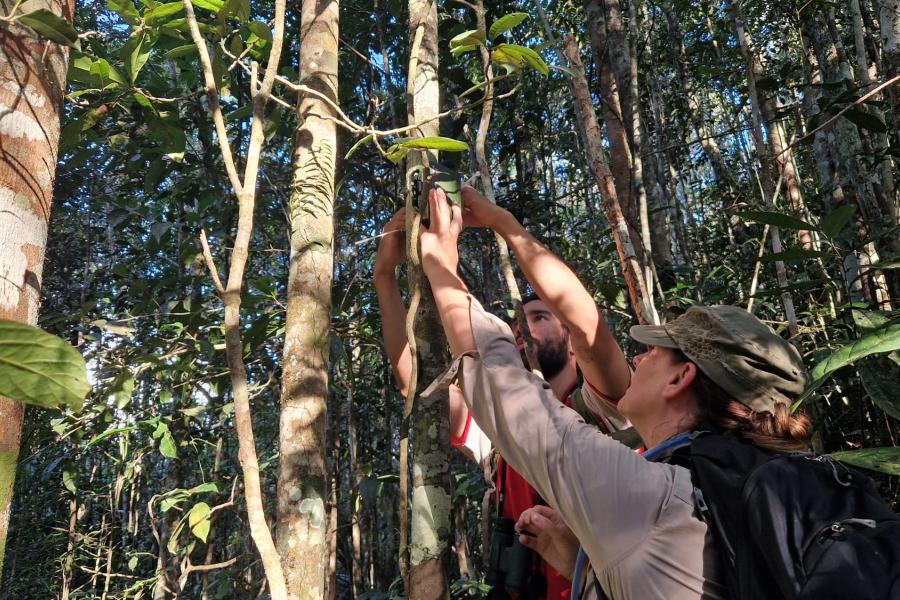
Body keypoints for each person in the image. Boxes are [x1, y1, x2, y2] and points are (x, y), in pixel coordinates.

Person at [418, 185, 817, 600]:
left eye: (653, 354)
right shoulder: (728, 495)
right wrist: (582, 560)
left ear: (680, 379)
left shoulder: (648, 493)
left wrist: (439, 262)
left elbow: (501, 380)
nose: (638, 360)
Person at [373, 192, 634, 599]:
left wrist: (500, 221)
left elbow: (587, 327)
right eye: (517, 321)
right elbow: (414, 384)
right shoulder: (498, 434)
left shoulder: (607, 408)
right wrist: (384, 279)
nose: (522, 328)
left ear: (569, 344)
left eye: (541, 317)